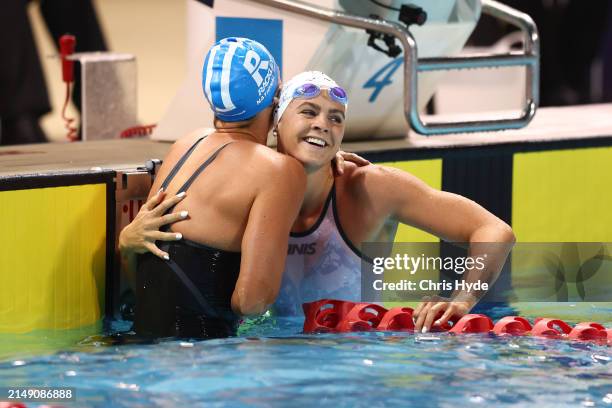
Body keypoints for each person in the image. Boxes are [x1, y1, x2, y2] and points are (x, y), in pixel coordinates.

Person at [122, 71, 515, 334]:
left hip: (351, 360)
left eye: (336, 119)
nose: (322, 125)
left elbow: (494, 230)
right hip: (263, 358)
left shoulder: (369, 188)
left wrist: (462, 299)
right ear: (276, 122)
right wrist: (129, 239)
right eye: (308, 111)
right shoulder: (248, 186)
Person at [120, 37, 306, 339]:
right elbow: (252, 301)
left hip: (141, 342)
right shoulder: (279, 171)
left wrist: (124, 241)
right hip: (206, 358)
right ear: (275, 100)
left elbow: (139, 262)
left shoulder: (185, 144)